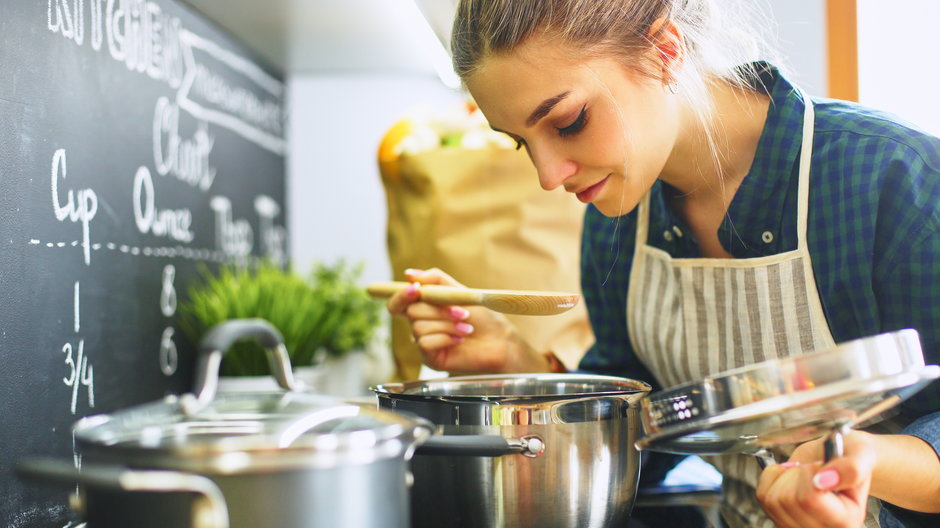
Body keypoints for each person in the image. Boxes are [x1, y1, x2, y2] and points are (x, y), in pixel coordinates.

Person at [385, 1, 940, 526]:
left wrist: (864, 462)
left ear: (663, 51)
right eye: (521, 143)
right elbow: (648, 440)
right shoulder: (616, 221)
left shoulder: (889, 178)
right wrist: (518, 362)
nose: (549, 175)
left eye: (569, 120)